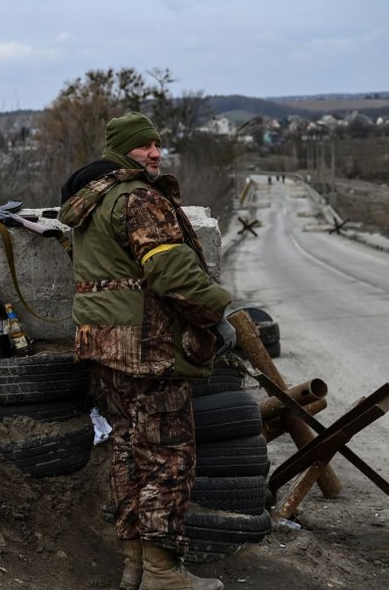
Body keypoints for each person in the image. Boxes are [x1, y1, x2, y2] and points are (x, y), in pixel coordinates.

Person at [59, 111, 234, 590]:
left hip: (104, 346)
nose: (155, 153)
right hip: (147, 348)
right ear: (122, 151)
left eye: (157, 144)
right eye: (144, 146)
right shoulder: (139, 198)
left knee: (128, 453)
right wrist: (217, 314)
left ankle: (135, 567)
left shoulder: (90, 201)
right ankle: (163, 573)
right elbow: (171, 272)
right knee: (169, 458)